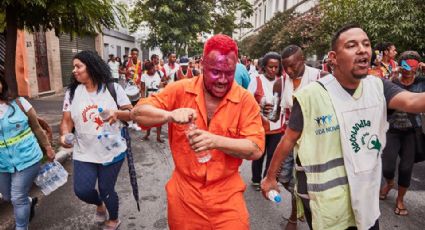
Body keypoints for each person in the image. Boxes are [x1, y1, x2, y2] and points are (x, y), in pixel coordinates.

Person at [261, 24, 425, 230]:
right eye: (351, 45)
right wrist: (269, 178)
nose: (363, 49)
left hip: (365, 203)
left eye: (366, 44)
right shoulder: (311, 95)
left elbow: (414, 101)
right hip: (328, 208)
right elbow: (288, 140)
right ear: (333, 57)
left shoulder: (378, 87)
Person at [131, 34, 265, 229]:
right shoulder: (179, 90)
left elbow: (256, 148)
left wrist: (214, 141)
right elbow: (138, 113)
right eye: (216, 72)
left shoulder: (245, 100)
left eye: (228, 73)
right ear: (202, 65)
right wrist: (169, 115)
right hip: (185, 196)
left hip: (227, 196)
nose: (222, 80)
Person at [59, 50, 133, 230]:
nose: (74, 71)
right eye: (73, 67)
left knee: (107, 189)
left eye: (78, 66)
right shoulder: (72, 92)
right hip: (84, 151)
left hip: (111, 150)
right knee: (82, 190)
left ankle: (113, 218)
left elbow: (131, 114)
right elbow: (66, 121)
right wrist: (64, 135)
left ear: (91, 67)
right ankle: (99, 204)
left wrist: (117, 113)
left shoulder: (113, 89)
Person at [0, 74, 55, 230]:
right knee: (8, 196)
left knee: (17, 197)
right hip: (2, 162)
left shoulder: (20, 103)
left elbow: (37, 128)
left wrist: (48, 148)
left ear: (2, 83)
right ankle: (29, 202)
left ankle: (21, 227)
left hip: (28, 157)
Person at [379, 51, 425, 216]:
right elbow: (381, 90)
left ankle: (400, 199)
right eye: (404, 65)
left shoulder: (421, 83)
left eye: (412, 66)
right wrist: (394, 74)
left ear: (417, 67)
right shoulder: (393, 82)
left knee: (406, 168)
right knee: (387, 166)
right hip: (392, 130)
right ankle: (390, 183)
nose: (408, 70)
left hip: (412, 132)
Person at [249, 52, 283, 192]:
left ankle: (267, 179)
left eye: (276, 67)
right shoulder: (255, 79)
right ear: (263, 67)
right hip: (260, 126)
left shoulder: (282, 81)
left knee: (273, 155)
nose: (273, 70)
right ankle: (256, 179)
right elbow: (247, 100)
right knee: (258, 154)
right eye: (270, 67)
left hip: (278, 126)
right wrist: (259, 107)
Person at [140, 61, 164, 143]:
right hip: (149, 99)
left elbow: (165, 82)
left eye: (153, 68)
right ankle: (147, 134)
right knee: (149, 118)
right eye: (151, 69)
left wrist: (162, 84)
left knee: (159, 118)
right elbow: (142, 89)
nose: (153, 70)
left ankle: (158, 137)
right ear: (147, 70)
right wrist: (142, 100)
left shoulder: (159, 73)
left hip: (159, 98)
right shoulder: (144, 76)